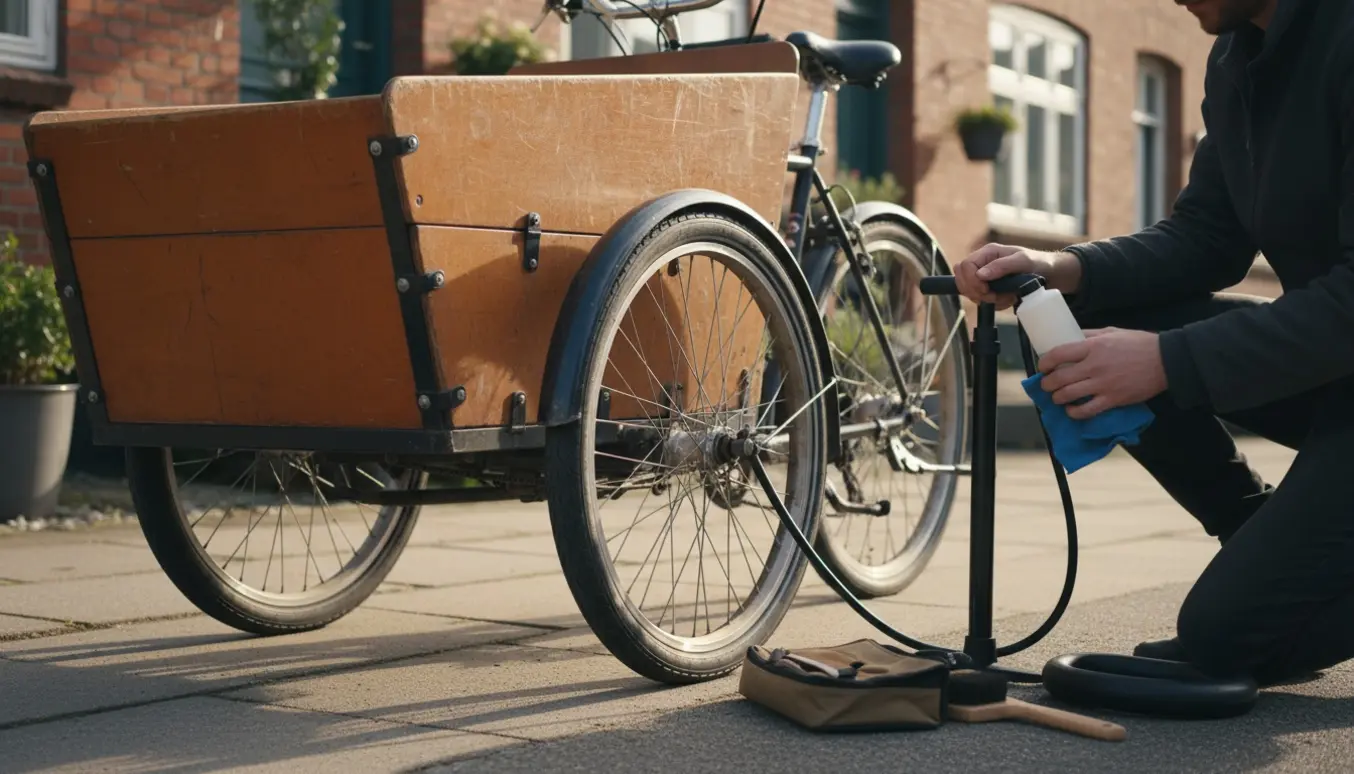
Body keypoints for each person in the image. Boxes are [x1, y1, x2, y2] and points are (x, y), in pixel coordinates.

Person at [953, 0, 1354, 686]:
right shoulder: (1236, 57)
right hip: (1338, 369)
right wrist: (1060, 269)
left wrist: (1168, 362)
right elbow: (1207, 237)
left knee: (1225, 636)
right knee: (1089, 313)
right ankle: (1251, 534)